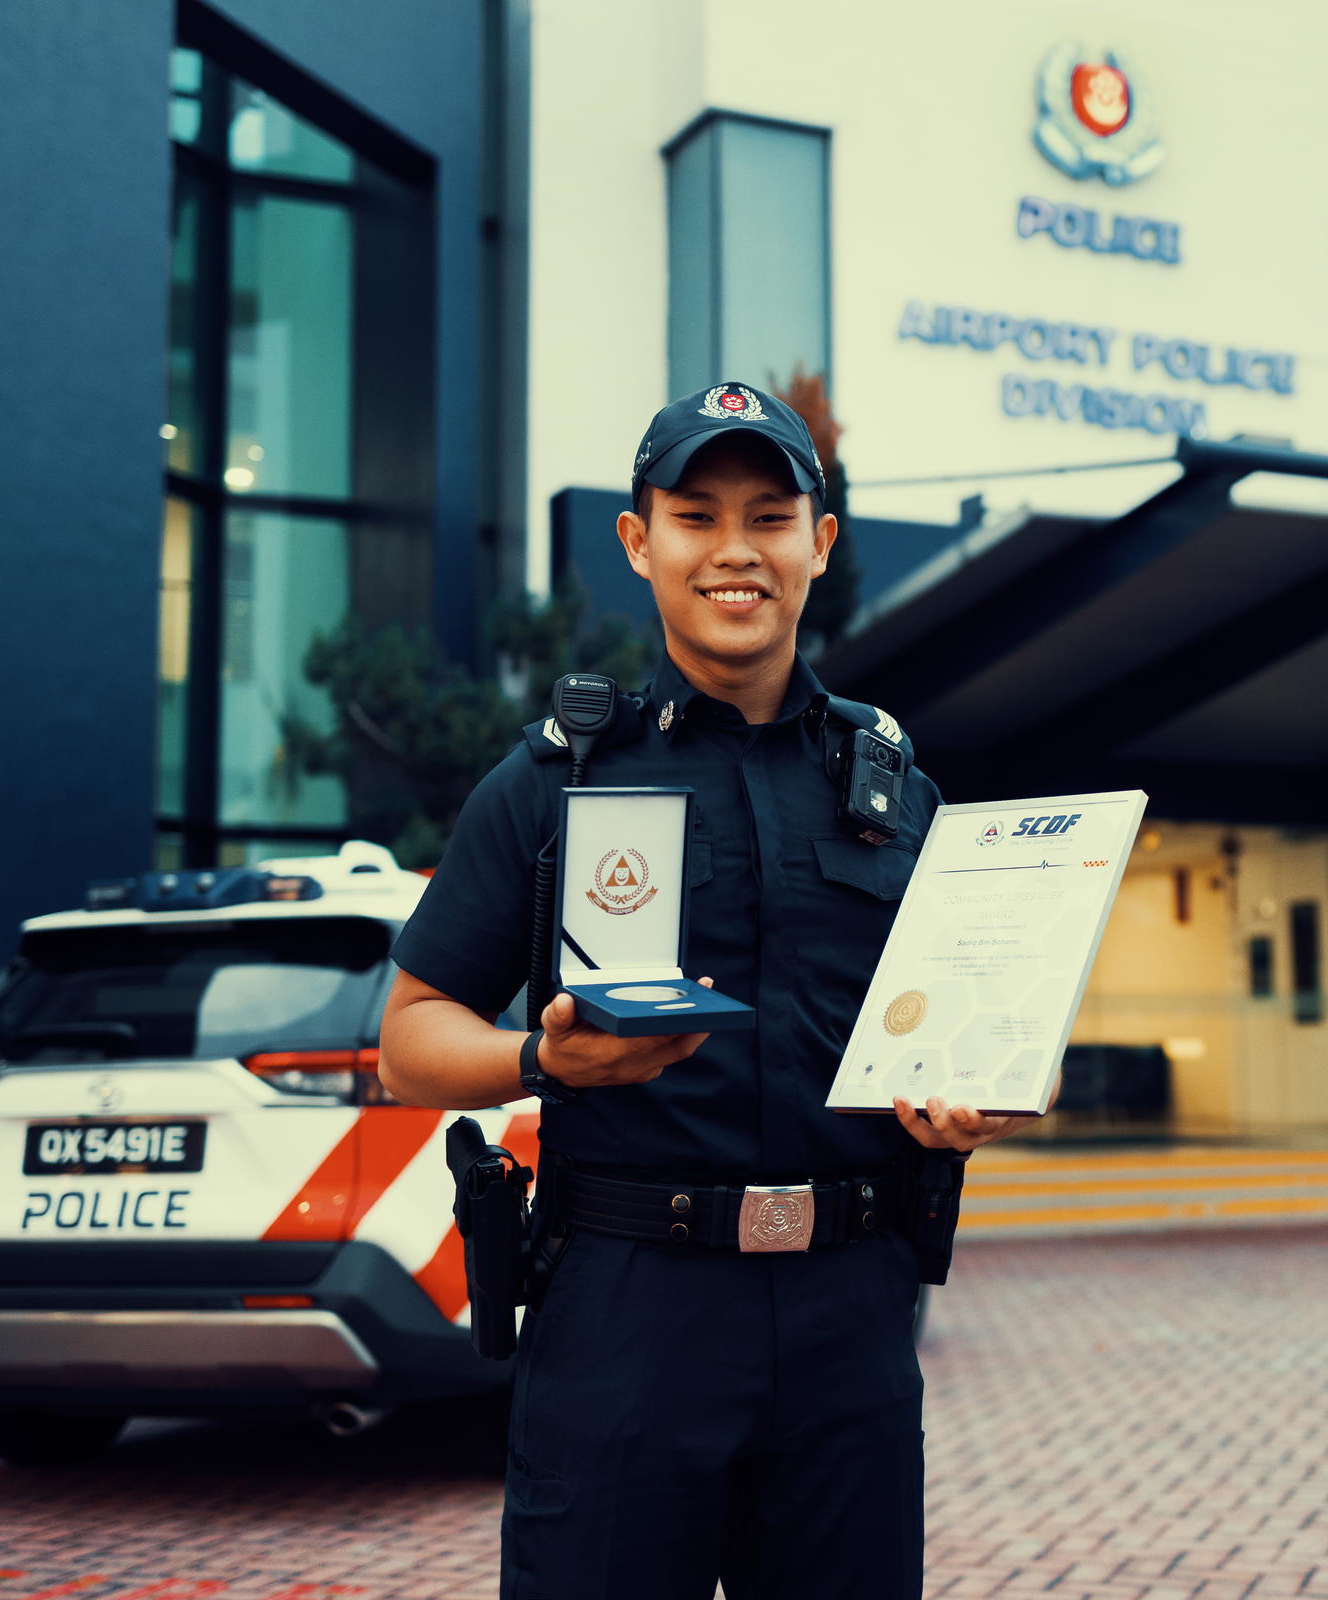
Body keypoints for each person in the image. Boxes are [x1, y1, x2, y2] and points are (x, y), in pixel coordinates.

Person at [380, 381, 1029, 1600]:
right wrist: (541, 1062)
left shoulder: (897, 792)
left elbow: (948, 1035)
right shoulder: (550, 783)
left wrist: (968, 1101)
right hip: (628, 1316)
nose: (736, 550)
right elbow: (408, 1042)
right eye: (695, 515)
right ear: (639, 543)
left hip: (852, 1314)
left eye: (771, 517)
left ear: (819, 545)